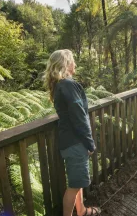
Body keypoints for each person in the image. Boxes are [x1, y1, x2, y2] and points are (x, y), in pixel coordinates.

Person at [44, 49, 101, 216]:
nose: (75, 64)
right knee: (74, 186)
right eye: (73, 61)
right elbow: (79, 117)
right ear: (66, 64)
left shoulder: (60, 86)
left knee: (77, 181)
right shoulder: (68, 85)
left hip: (69, 142)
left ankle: (81, 210)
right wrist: (90, 143)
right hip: (76, 143)